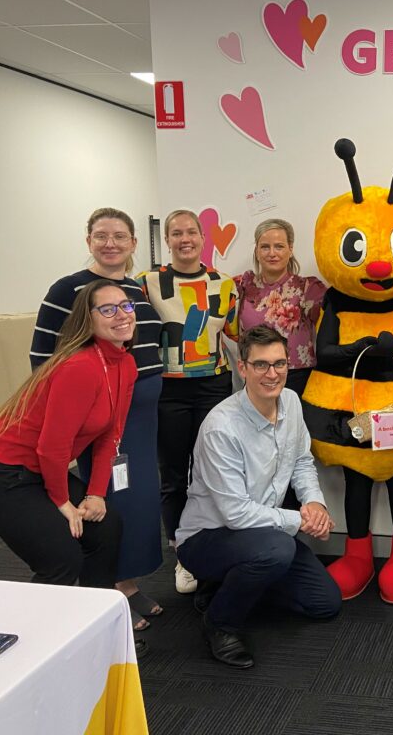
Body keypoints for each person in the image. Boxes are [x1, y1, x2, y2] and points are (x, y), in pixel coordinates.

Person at [175, 326, 341, 669]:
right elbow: (235, 514)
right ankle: (220, 623)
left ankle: (228, 584)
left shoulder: (291, 402)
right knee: (277, 550)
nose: (273, 374)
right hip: (208, 537)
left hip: (262, 534)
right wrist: (302, 520)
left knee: (325, 603)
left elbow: (301, 461)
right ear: (243, 368)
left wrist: (314, 503)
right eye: (262, 365)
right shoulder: (222, 427)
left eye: (279, 364)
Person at [29, 207, 164, 631]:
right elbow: (42, 358)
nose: (111, 244)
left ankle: (127, 580)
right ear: (88, 240)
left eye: (120, 236)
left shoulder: (137, 291)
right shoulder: (67, 289)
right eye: (102, 235)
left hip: (141, 410)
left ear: (133, 244)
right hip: (99, 415)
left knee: (141, 498)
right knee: (105, 495)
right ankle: (106, 587)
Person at [0, 280, 135, 592]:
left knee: (106, 527)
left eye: (126, 306)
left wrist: (96, 494)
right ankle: (40, 634)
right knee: (61, 559)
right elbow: (52, 447)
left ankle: (95, 620)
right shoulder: (80, 367)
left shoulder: (125, 364)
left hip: (37, 468)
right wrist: (62, 501)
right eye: (108, 309)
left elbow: (110, 435)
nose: (121, 314)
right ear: (89, 319)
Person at [139, 209, 239, 594]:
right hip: (168, 389)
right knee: (175, 474)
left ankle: (214, 545)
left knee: (214, 470)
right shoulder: (147, 283)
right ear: (167, 239)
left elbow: (233, 332)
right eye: (176, 232)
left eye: (191, 232)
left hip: (213, 385)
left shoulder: (223, 283)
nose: (185, 239)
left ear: (202, 237)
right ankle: (183, 554)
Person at [234, 218, 327, 397]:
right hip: (255, 374)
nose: (272, 253)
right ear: (257, 251)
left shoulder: (307, 288)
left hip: (297, 376)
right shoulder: (243, 286)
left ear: (290, 249)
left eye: (279, 246)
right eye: (265, 247)